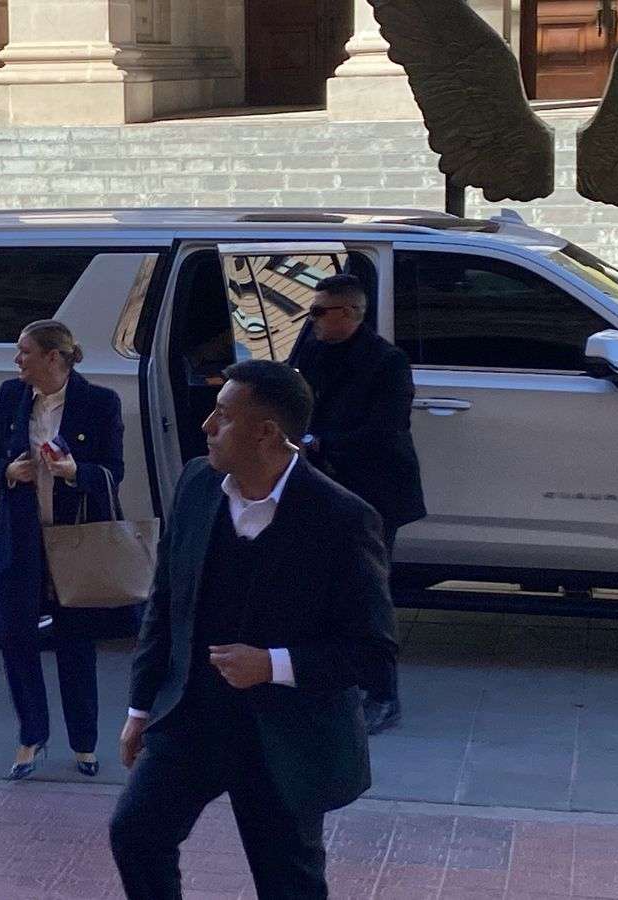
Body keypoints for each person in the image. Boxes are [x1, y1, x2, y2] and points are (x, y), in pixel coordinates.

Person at [110, 359, 396, 899]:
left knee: (289, 884)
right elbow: (166, 604)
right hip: (192, 719)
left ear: (266, 432)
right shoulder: (196, 484)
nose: (207, 426)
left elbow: (372, 653)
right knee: (135, 834)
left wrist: (271, 664)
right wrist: (140, 708)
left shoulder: (341, 519)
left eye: (223, 415)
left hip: (283, 739)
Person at [0, 320, 129, 781]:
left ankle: (84, 743)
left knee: (76, 642)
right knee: (13, 635)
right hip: (22, 539)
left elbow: (114, 471)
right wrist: (7, 472)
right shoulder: (11, 396)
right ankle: (31, 735)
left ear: (53, 358)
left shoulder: (100, 402)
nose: (17, 360)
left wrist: (76, 472)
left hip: (74, 540)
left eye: (25, 352)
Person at [288, 272, 425, 735]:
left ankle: (384, 694)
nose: (311, 319)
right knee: (320, 587)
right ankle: (326, 681)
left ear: (349, 313)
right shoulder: (311, 350)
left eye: (318, 311)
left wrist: (319, 443)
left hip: (374, 492)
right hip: (322, 485)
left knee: (370, 593)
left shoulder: (387, 361)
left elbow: (386, 428)